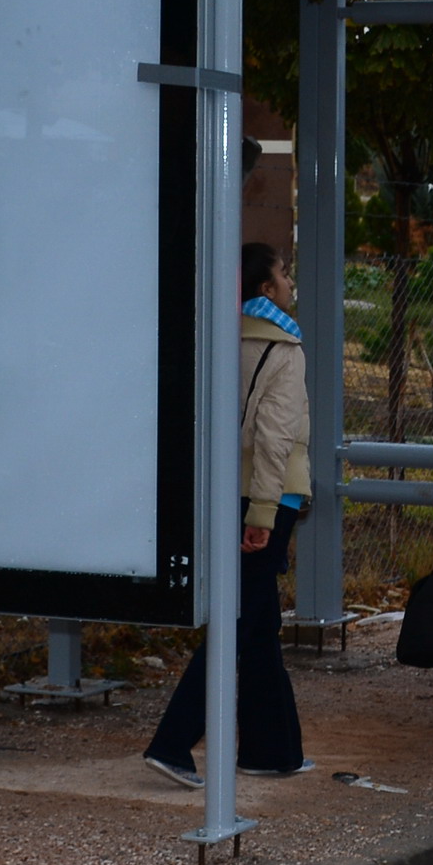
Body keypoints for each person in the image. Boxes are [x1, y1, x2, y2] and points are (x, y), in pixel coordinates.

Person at [146, 241, 314, 783]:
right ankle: (172, 742)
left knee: (259, 623)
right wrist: (265, 515)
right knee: (240, 621)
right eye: (284, 275)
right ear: (266, 289)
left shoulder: (214, 339)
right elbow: (275, 440)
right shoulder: (284, 349)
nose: (290, 284)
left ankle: (272, 750)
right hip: (269, 499)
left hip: (225, 494)